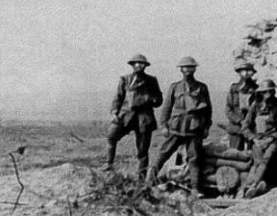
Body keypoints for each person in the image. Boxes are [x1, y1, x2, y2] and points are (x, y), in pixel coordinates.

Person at [150, 58, 213, 195]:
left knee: (194, 157)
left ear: (195, 69)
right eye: (185, 68)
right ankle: (148, 182)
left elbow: (208, 111)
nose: (188, 70)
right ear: (181, 70)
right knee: (163, 152)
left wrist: (207, 126)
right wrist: (164, 125)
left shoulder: (202, 88)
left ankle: (195, 187)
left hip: (194, 127)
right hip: (176, 126)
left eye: (191, 68)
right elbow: (166, 107)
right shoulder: (175, 87)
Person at [106, 53, 164, 179]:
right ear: (132, 65)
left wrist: (149, 99)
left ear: (145, 66)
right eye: (136, 63)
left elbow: (159, 100)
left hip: (144, 117)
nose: (139, 65)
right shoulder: (125, 79)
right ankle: (108, 164)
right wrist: (114, 112)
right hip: (126, 115)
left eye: (141, 63)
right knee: (111, 135)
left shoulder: (151, 81)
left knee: (142, 149)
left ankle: (141, 176)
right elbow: (118, 97)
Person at [240, 79, 277, 199]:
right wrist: (254, 139)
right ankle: (248, 187)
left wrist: (271, 138)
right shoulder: (255, 106)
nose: (268, 95)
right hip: (258, 139)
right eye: (265, 92)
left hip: (273, 139)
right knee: (257, 162)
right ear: (260, 93)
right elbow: (245, 126)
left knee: (266, 158)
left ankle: (254, 185)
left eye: (270, 91)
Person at [225, 57, 259, 151]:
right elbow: (228, 110)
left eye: (249, 71)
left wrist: (248, 122)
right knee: (235, 153)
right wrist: (239, 120)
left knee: (253, 152)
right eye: (243, 71)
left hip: (251, 127)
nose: (246, 73)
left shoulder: (257, 90)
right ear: (239, 73)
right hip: (236, 127)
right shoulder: (234, 89)